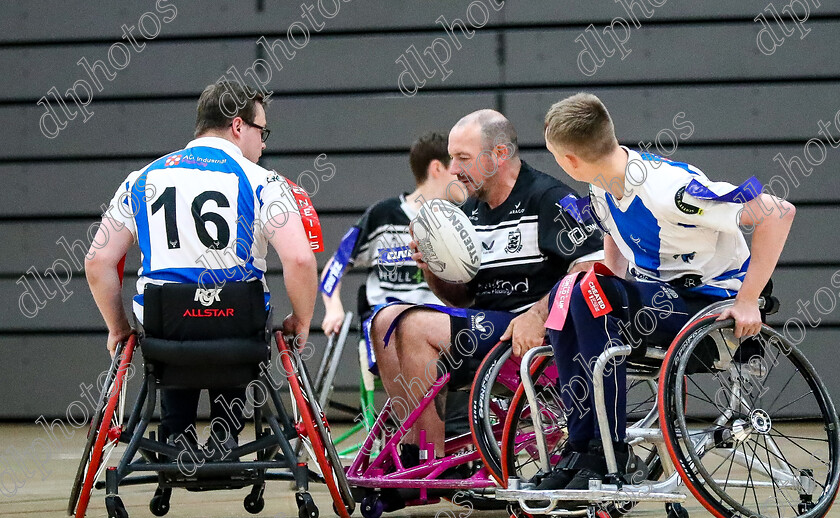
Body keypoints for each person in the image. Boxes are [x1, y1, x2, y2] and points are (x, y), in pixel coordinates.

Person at [535, 92, 795, 491]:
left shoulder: (670, 190)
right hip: (664, 301)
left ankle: (611, 450)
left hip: (712, 305)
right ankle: (582, 446)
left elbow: (778, 211)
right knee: (567, 292)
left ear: (568, 160)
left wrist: (748, 299)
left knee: (586, 292)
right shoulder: (602, 186)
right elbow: (615, 255)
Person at [85, 80, 318, 458]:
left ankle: (176, 435)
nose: (264, 143)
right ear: (239, 126)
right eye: (263, 131)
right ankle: (226, 434)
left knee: (174, 319)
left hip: (164, 330)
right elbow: (301, 258)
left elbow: (97, 261)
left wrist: (118, 329)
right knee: (240, 307)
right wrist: (303, 320)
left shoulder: (142, 179)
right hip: (237, 328)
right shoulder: (264, 181)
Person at [374, 109, 603, 462]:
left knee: (415, 327)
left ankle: (425, 460)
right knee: (385, 320)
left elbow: (594, 268)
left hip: (536, 337)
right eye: (451, 158)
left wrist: (537, 315)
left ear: (498, 155)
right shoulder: (473, 213)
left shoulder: (549, 199)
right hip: (487, 328)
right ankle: (415, 452)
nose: (452, 169)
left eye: (462, 157)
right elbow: (462, 297)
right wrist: (432, 268)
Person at [320, 132, 454, 338]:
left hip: (440, 331)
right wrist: (333, 307)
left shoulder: (462, 222)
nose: (464, 174)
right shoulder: (381, 216)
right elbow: (336, 265)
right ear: (437, 168)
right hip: (385, 334)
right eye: (456, 166)